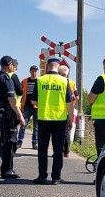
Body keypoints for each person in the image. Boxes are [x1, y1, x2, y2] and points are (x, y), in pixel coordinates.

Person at [30, 57, 74, 185]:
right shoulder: (64, 81)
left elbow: (33, 101)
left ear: (47, 66)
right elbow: (69, 103)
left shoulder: (40, 80)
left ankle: (42, 176)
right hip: (60, 119)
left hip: (44, 118)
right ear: (58, 67)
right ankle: (56, 177)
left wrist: (44, 103)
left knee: (42, 149)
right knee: (58, 149)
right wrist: (70, 119)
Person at [0, 55, 26, 179]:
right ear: (10, 65)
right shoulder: (7, 79)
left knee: (6, 141)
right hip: (9, 115)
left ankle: (6, 168)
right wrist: (20, 116)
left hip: (0, 112)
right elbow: (12, 100)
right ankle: (7, 170)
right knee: (10, 143)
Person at [19, 65, 40, 150]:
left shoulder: (40, 81)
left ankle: (35, 143)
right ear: (30, 71)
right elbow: (19, 91)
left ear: (37, 72)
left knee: (36, 126)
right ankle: (19, 141)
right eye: (32, 71)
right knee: (23, 124)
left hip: (37, 106)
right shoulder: (24, 81)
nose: (34, 72)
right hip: (27, 106)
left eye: (35, 71)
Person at [59, 64, 78, 157]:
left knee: (58, 132)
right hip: (68, 110)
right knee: (66, 132)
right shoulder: (72, 82)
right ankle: (66, 151)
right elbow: (76, 96)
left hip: (59, 111)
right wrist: (71, 105)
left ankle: (58, 151)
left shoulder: (58, 82)